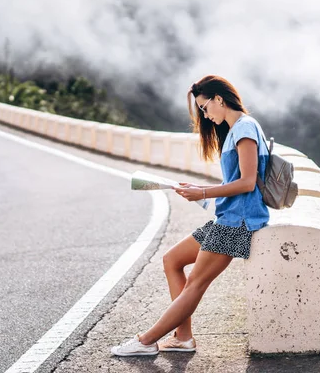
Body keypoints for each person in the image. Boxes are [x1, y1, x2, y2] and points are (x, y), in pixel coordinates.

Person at [111, 75, 270, 356]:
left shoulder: (245, 129)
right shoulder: (236, 129)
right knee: (172, 260)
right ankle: (183, 337)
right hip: (228, 218)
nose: (205, 116)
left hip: (238, 223)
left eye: (205, 108)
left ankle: (146, 341)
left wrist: (203, 192)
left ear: (219, 99)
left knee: (196, 283)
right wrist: (197, 190)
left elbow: (247, 182)